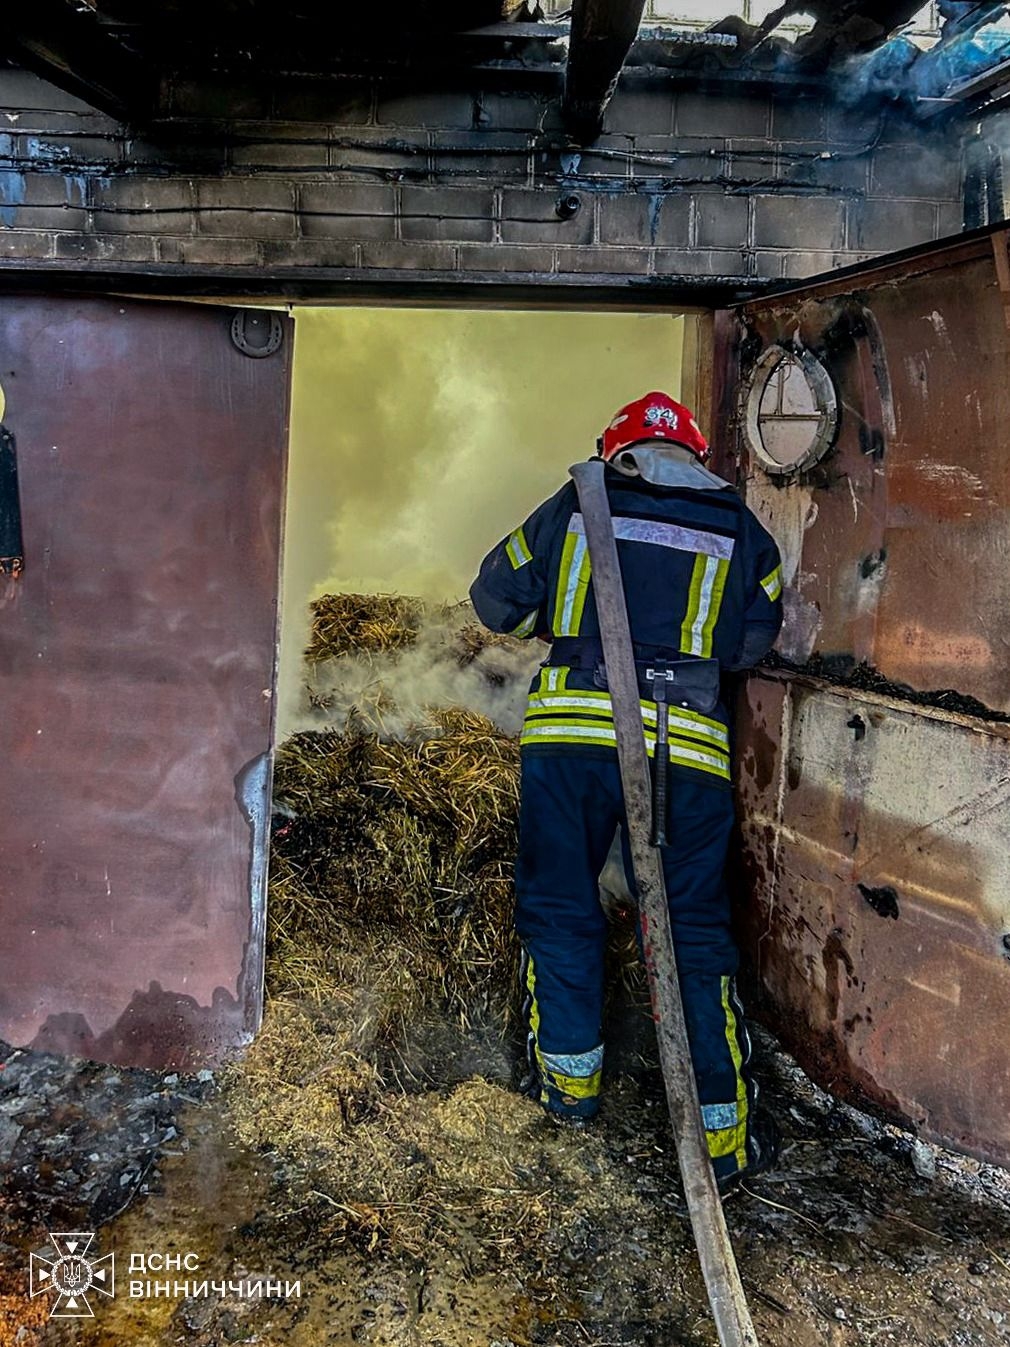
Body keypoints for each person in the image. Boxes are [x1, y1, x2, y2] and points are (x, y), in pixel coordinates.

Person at [469, 391, 784, 1188]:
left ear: (616, 448)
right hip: (688, 753)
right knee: (693, 930)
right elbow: (753, 637)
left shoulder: (578, 499)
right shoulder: (742, 527)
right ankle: (723, 1132)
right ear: (695, 455)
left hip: (573, 737)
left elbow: (493, 599)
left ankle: (569, 1091)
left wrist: (559, 610)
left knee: (562, 905)